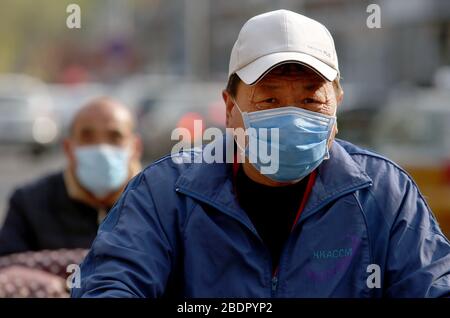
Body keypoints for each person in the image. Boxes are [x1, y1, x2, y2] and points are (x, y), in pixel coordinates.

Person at [72, 10, 450, 298]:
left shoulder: (384, 194)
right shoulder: (163, 195)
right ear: (229, 108)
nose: (292, 116)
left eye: (310, 100)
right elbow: (111, 283)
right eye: (269, 100)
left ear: (337, 105)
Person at [0, 97, 142, 255]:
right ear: (68, 148)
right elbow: (8, 267)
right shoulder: (29, 203)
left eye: (115, 137)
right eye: (87, 137)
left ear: (135, 148)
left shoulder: (159, 205)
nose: (102, 148)